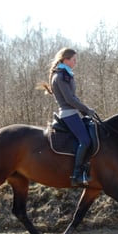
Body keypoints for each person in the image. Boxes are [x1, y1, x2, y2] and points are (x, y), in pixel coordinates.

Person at [40, 47, 96, 187]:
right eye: (73, 59)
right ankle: (76, 174)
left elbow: (73, 97)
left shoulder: (65, 74)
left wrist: (83, 110)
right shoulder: (61, 76)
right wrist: (86, 109)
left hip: (73, 112)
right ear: (66, 59)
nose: (75, 62)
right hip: (68, 114)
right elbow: (70, 99)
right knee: (85, 140)